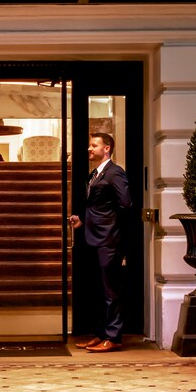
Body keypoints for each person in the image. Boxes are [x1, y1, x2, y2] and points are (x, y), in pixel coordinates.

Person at [68, 129, 132, 352]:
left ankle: (113, 337)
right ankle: (100, 333)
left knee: (110, 290)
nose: (89, 148)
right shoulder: (94, 174)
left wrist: (111, 229)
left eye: (93, 145)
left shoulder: (115, 173)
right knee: (97, 289)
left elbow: (125, 204)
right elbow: (97, 206)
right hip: (93, 237)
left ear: (107, 148)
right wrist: (83, 220)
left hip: (109, 240)